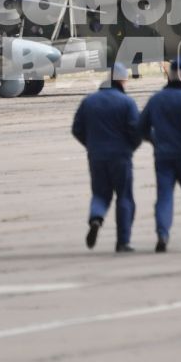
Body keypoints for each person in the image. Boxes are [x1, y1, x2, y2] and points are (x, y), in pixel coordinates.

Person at [139, 56, 181, 252]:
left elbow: (141, 127)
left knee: (164, 197)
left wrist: (155, 140)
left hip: (163, 156)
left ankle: (162, 233)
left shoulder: (156, 98)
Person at [72, 62, 141, 252]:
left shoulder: (89, 101)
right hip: (120, 156)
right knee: (124, 197)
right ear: (121, 80)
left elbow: (77, 129)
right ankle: (123, 241)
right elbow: (136, 130)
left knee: (101, 194)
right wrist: (130, 148)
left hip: (96, 156)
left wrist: (91, 145)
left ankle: (96, 218)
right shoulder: (127, 102)